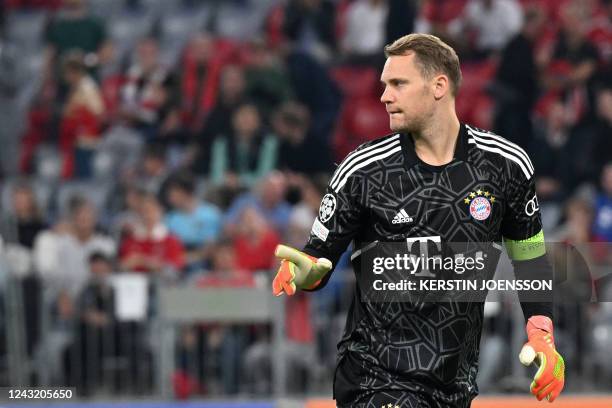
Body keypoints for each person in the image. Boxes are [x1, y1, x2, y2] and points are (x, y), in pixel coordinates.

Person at [272, 33, 565, 407]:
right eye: (383, 85)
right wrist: (304, 272)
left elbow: (530, 259)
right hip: (374, 379)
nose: (384, 96)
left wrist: (541, 331)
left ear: (438, 86)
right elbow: (318, 259)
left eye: (398, 83)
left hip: (454, 385)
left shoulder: (505, 167)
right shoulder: (364, 170)